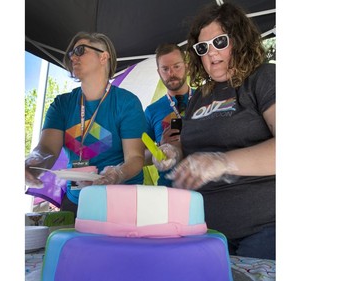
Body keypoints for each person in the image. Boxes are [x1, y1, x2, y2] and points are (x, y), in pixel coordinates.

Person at [152, 2, 275, 260]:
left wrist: (222, 161)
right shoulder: (200, 96)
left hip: (265, 231)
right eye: (202, 47)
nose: (211, 53)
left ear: (239, 40)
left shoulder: (263, 77)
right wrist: (172, 152)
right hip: (205, 232)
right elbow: (188, 143)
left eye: (220, 42)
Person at [25, 32, 146, 217]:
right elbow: (47, 148)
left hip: (121, 203)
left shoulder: (126, 103)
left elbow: (135, 158)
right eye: (71, 53)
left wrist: (116, 174)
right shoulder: (62, 104)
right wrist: (34, 160)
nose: (73, 56)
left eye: (80, 50)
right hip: (76, 201)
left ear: (103, 56)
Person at [144, 43, 194, 186]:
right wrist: (160, 147)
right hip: (169, 189)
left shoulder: (205, 98)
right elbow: (139, 157)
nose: (171, 73)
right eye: (165, 69)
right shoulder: (151, 111)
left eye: (176, 66)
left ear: (187, 66)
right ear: (159, 72)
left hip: (207, 188)